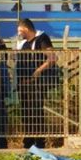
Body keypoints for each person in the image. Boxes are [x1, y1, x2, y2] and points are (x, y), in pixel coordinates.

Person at [16, 18, 56, 149]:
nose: (18, 33)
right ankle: (27, 142)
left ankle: (40, 143)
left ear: (26, 29)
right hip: (24, 85)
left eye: (20, 30)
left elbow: (52, 58)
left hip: (37, 85)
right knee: (26, 113)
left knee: (37, 112)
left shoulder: (42, 38)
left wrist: (38, 71)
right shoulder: (23, 44)